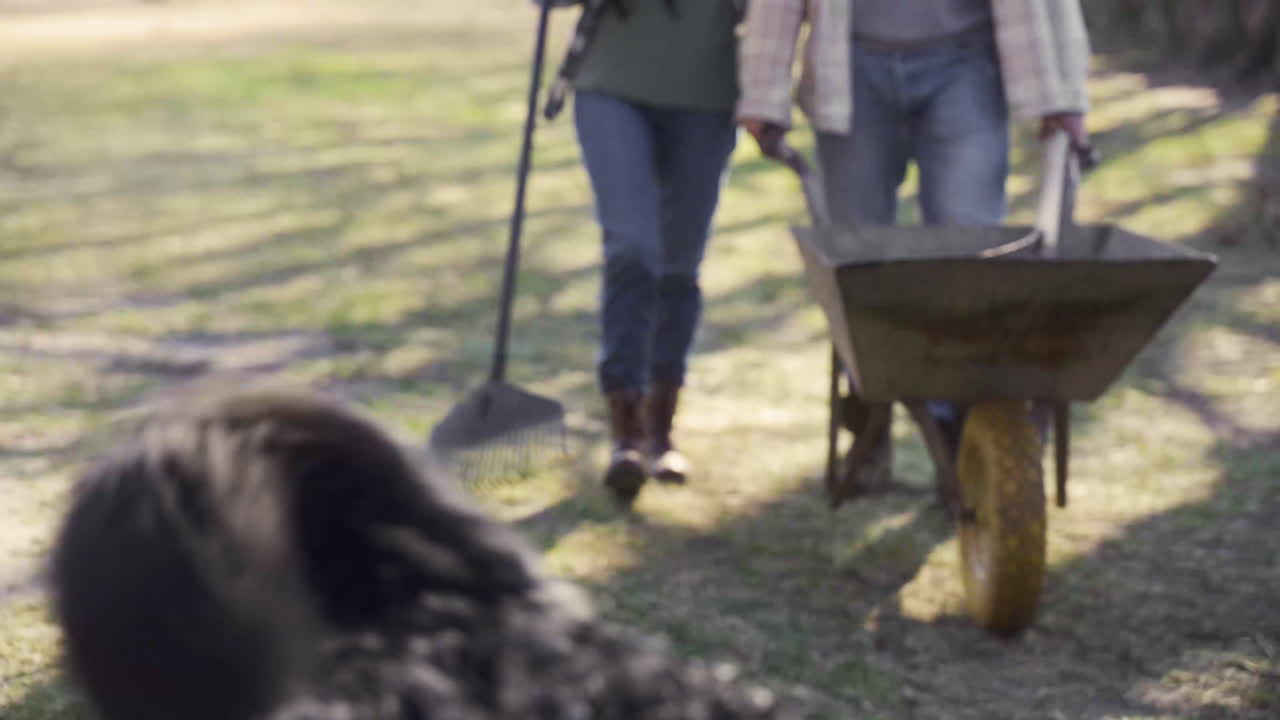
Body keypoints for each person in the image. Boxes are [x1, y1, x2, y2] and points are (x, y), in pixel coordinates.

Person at [735, 0, 1092, 488]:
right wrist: (763, 92)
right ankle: (869, 413)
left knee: (970, 253)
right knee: (858, 261)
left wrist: (1067, 94)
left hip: (966, 62)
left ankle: (959, 430)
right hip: (851, 62)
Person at [545, 0, 744, 503]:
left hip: (709, 91)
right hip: (611, 84)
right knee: (631, 249)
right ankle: (626, 430)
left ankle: (661, 430)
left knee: (679, 266)